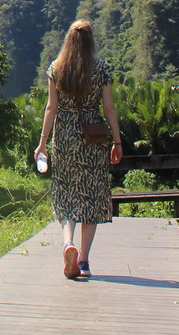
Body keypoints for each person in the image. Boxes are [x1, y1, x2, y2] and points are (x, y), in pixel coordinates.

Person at [33, 20, 123, 280]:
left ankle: (67, 243)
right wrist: (117, 141)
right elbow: (109, 108)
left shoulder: (56, 68)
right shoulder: (101, 68)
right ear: (90, 40)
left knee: (66, 192)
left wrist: (42, 143)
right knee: (91, 195)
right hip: (93, 136)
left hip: (65, 136)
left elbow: (51, 108)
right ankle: (83, 260)